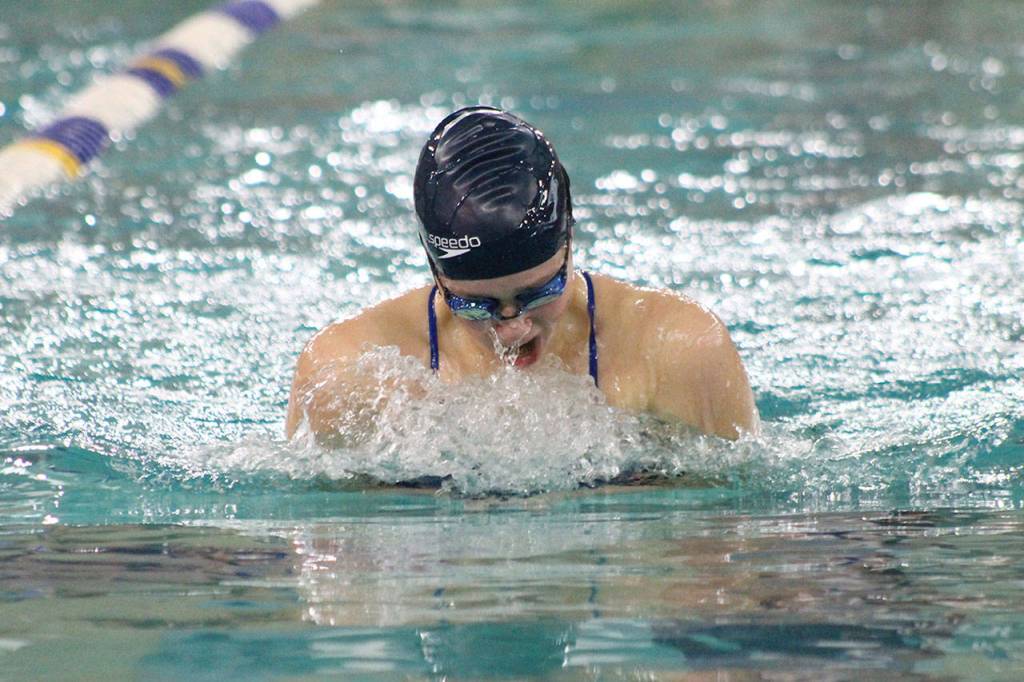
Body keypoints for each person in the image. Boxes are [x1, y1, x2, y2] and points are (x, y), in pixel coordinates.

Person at [286, 106, 758, 444]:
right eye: (476, 305)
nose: (513, 326)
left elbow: (731, 545)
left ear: (570, 244)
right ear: (435, 272)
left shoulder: (677, 348)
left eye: (539, 292)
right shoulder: (344, 368)